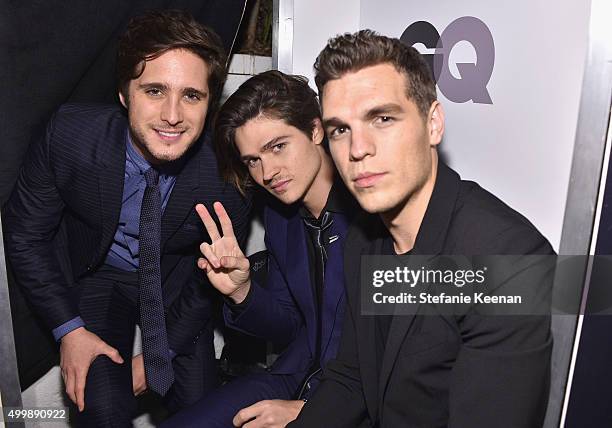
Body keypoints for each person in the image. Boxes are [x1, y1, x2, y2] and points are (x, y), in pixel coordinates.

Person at [288, 30, 554, 427]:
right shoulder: (364, 239)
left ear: (433, 124)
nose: (358, 149)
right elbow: (354, 376)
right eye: (340, 129)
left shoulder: (507, 261)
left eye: (382, 118)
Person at [3, 10, 250, 427]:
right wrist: (70, 331)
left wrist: (161, 354)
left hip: (180, 280)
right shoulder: (70, 138)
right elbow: (27, 234)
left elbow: (213, 277)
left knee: (203, 414)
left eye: (191, 95)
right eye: (155, 90)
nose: (173, 115)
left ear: (211, 101)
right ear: (123, 94)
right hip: (101, 275)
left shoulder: (228, 173)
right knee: (100, 407)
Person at [162, 70, 357, 428]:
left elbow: (405, 359)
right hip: (293, 375)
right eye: (252, 160)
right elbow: (288, 327)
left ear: (316, 131)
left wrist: (318, 409)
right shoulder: (280, 217)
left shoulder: (371, 215)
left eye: (277, 146)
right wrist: (243, 291)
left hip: (355, 397)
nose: (267, 173)